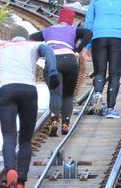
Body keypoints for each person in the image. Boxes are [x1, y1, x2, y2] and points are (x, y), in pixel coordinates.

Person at [0, 25, 60, 188]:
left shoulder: (0, 49)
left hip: (6, 91)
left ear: (12, 38)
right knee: (25, 140)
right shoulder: (33, 45)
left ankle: (10, 171)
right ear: (25, 37)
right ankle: (20, 183)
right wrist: (52, 72)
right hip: (28, 91)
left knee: (8, 137)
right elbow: (50, 52)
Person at [28, 8, 92, 136]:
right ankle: (66, 123)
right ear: (71, 20)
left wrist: (41, 52)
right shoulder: (74, 29)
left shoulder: (49, 30)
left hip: (52, 62)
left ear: (60, 19)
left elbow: (31, 37)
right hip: (70, 60)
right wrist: (77, 49)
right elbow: (89, 33)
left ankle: (54, 119)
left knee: (55, 93)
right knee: (68, 95)